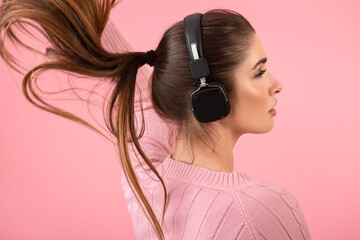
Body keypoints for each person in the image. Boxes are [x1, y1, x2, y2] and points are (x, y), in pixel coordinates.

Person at [0, 0, 312, 239]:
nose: (277, 84)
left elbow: (133, 97)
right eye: (258, 72)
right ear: (210, 96)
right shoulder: (261, 210)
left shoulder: (148, 180)